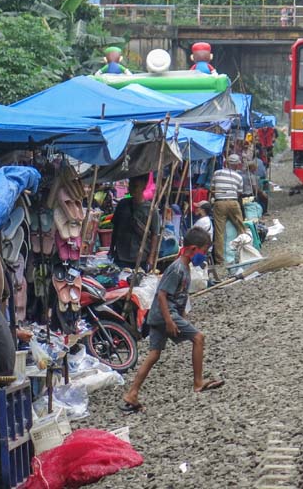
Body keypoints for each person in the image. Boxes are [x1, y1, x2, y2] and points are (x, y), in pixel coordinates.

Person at [120, 228, 223, 413]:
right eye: (203, 251)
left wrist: (182, 315)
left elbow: (179, 295)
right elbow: (161, 294)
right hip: (164, 314)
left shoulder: (184, 267)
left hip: (161, 315)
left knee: (154, 354)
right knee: (199, 338)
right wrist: (169, 320)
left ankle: (132, 393)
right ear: (192, 249)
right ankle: (198, 382)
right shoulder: (177, 268)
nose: (204, 256)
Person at [109, 174, 160, 270]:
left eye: (135, 186)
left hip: (140, 257)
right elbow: (115, 228)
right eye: (130, 185)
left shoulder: (151, 210)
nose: (131, 188)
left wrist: (151, 257)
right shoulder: (122, 204)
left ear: (143, 187)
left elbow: (154, 235)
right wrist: (111, 248)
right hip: (121, 255)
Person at [210, 154, 247, 264]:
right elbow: (239, 193)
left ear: (226, 163)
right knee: (241, 228)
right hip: (233, 202)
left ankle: (220, 260)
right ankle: (245, 252)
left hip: (219, 203)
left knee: (219, 232)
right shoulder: (238, 177)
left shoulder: (217, 173)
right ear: (237, 165)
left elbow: (212, 189)